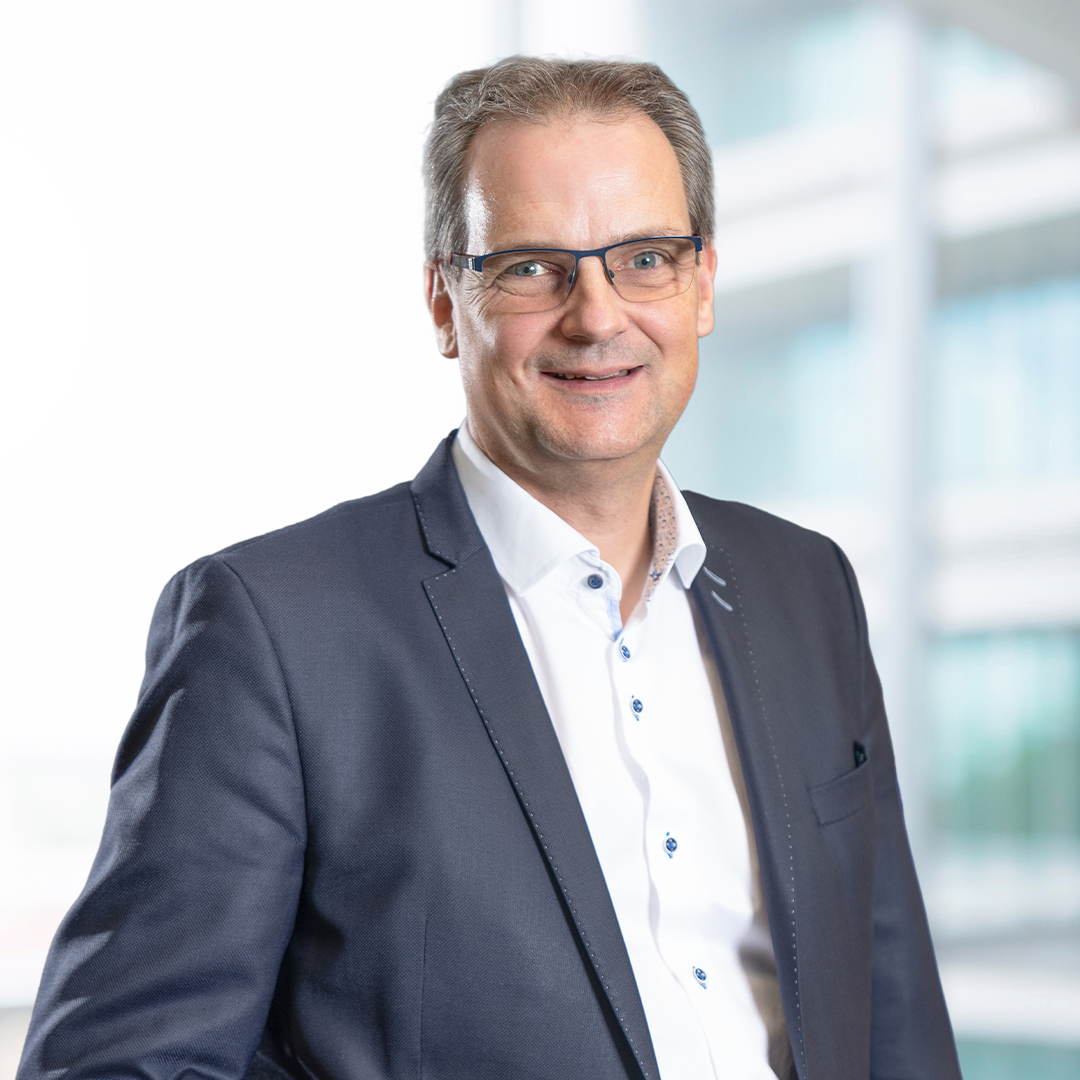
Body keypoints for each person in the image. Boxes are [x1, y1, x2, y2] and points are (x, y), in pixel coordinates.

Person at [17, 58, 960, 1080]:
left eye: (644, 259)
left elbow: (892, 1008)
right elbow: (118, 1065)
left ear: (701, 286)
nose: (597, 317)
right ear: (442, 300)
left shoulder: (806, 585)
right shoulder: (274, 630)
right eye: (530, 268)